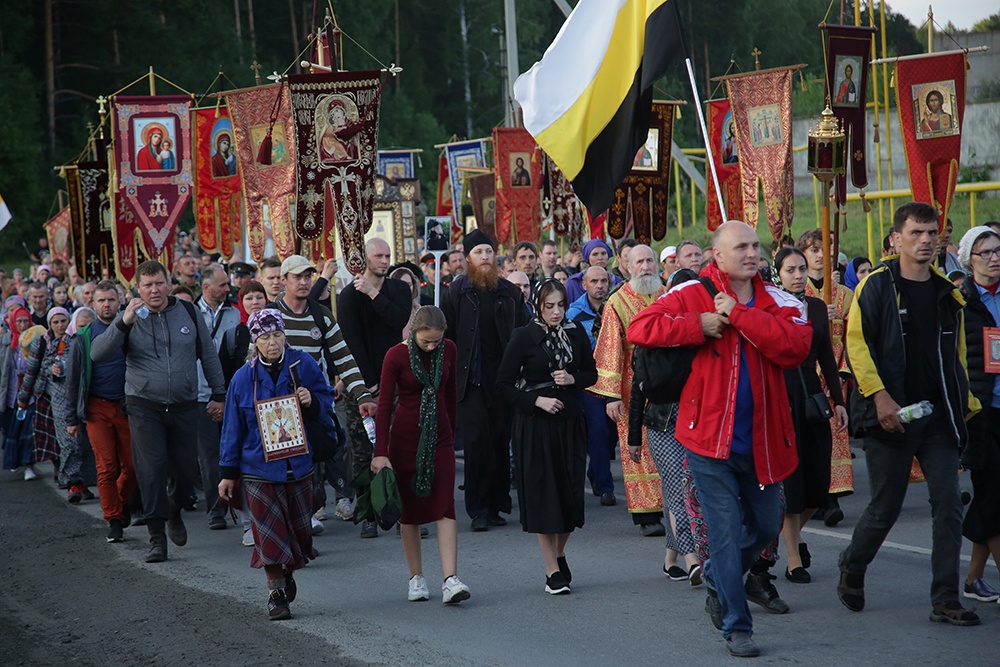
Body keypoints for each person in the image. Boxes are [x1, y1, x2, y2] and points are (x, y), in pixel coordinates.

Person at [628, 221, 812, 658]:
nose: (752, 253)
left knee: (767, 525)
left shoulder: (781, 299)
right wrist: (699, 324)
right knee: (725, 533)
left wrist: (739, 314)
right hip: (708, 441)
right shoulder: (691, 291)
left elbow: (795, 348)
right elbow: (641, 327)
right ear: (717, 255)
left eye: (755, 245)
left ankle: (717, 577)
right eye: (740, 247)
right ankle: (737, 626)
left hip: (765, 442)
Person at [839, 202, 979, 626]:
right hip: (892, 414)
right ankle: (853, 563)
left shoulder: (947, 293)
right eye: (916, 233)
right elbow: (857, 345)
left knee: (949, 503)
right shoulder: (876, 286)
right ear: (896, 239)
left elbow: (956, 360)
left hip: (937, 417)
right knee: (886, 506)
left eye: (931, 232)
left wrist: (965, 407)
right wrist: (880, 398)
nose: (925, 240)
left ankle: (945, 598)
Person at [91, 260, 227, 563]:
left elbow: (208, 354)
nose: (154, 290)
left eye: (159, 283)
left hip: (184, 404)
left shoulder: (187, 311)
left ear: (169, 283)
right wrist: (122, 323)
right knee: (151, 470)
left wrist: (219, 394)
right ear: (137, 289)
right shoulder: (130, 317)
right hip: (144, 405)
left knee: (185, 471)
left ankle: (174, 508)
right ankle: (156, 538)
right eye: (148, 285)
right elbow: (98, 353)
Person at [219, 309, 334, 620]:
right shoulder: (243, 378)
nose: (272, 343)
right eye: (265, 337)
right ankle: (275, 594)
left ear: (285, 335)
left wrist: (313, 401)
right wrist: (227, 473)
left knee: (299, 534)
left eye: (277, 335)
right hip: (257, 469)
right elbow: (232, 426)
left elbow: (326, 400)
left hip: (298, 465)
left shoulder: (302, 365)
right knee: (268, 534)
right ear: (255, 342)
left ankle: (288, 570)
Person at [497, 279, 596, 595]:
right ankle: (551, 569)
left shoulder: (575, 333)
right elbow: (503, 385)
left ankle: (560, 551)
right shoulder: (524, 336)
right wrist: (536, 400)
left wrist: (572, 378)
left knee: (570, 498)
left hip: (570, 422)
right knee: (545, 497)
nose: (556, 312)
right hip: (536, 425)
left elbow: (591, 373)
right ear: (538, 306)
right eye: (549, 306)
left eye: (561, 305)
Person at [371, 306, 470, 603]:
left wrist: (451, 435)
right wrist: (380, 452)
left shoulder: (449, 350)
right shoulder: (395, 356)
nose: (431, 346)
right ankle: (416, 577)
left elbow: (451, 395)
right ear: (413, 332)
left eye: (436, 341)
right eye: (426, 341)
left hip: (440, 439)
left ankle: (450, 578)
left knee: (445, 506)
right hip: (405, 439)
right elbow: (385, 405)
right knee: (410, 512)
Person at [442, 229, 530, 531]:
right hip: (470, 381)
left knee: (498, 440)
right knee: (477, 442)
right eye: (479, 252)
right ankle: (478, 508)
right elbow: (447, 337)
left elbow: (523, 333)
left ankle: (496, 505)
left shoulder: (509, 292)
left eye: (489, 252)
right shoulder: (456, 292)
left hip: (502, 382)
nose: (484, 257)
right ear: (468, 258)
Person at [772, 248, 848, 583]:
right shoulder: (770, 307)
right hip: (780, 396)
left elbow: (828, 358)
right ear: (778, 274)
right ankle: (792, 559)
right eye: (790, 270)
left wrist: (840, 400)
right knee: (793, 483)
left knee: (818, 483)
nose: (799, 275)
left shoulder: (817, 307)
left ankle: (787, 535)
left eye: (802, 269)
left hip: (813, 396)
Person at [589, 245, 667, 537]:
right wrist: (610, 396)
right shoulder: (617, 301)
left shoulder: (667, 294)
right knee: (639, 446)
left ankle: (673, 505)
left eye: (649, 260)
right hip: (632, 384)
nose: (645, 266)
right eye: (639, 262)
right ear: (628, 267)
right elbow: (609, 349)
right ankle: (647, 513)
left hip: (668, 382)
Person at [337, 240, 412, 538]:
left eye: (387, 256)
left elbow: (397, 320)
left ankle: (401, 510)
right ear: (364, 259)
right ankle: (368, 511)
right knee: (362, 448)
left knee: (399, 445)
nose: (384, 261)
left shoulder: (398, 289)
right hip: (363, 384)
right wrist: (367, 385)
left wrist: (373, 292)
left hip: (396, 380)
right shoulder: (347, 295)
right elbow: (351, 341)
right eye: (378, 256)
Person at [63, 281, 136, 543]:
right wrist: (72, 418)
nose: (107, 305)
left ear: (120, 302)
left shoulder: (131, 330)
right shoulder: (82, 338)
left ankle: (119, 498)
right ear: (92, 304)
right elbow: (73, 380)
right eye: (101, 300)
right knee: (105, 466)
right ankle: (114, 519)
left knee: (132, 465)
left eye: (111, 300)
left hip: (128, 406)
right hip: (96, 408)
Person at [954, 226, 1000, 604]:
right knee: (992, 493)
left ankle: (972, 579)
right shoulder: (960, 300)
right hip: (981, 411)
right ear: (969, 260)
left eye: (998, 250)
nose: (994, 258)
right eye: (984, 253)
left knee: (990, 498)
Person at [797, 229, 854, 526]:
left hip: (833, 376)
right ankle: (815, 497)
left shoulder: (845, 295)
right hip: (804, 377)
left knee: (834, 436)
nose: (820, 254)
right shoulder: (795, 294)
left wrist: (843, 369)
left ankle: (830, 497)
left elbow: (852, 336)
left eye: (826, 248)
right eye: (814, 249)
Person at [20, 306, 98, 502]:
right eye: (55, 322)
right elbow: (32, 370)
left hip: (88, 398)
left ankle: (83, 483)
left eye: (63, 321)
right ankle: (71, 482)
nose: (60, 325)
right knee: (68, 441)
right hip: (58, 398)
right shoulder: (43, 343)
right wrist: (24, 396)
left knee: (87, 443)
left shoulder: (83, 341)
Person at [194, 265, 241, 530]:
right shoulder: (190, 314)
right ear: (207, 287)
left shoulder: (234, 313)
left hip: (232, 395)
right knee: (209, 456)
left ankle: (241, 504)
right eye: (222, 285)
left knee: (234, 451)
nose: (227, 289)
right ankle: (216, 509)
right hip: (200, 395)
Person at [566, 266, 616, 506]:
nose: (600, 285)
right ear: (584, 285)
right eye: (594, 281)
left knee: (613, 433)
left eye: (603, 280)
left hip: (615, 380)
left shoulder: (616, 306)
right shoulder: (574, 314)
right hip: (590, 382)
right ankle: (605, 486)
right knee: (598, 430)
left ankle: (597, 471)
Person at [1, 308, 39, 479]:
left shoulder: (36, 339)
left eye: (26, 321)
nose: (23, 325)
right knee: (12, 430)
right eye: (19, 321)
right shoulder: (6, 342)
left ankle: (29, 465)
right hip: (10, 394)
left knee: (28, 432)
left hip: (30, 394)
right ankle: (14, 461)